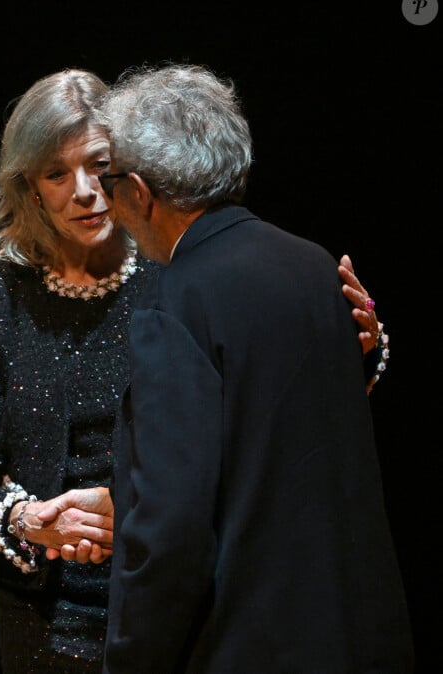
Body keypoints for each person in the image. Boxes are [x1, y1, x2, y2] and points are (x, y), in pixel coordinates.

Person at [0, 68, 387, 674]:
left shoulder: (175, 267)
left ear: (134, 172)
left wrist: (361, 349)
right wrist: (27, 521)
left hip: (179, 600)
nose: (86, 191)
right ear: (30, 189)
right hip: (49, 617)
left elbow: (265, 411)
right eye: (56, 173)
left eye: (100, 166)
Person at [95, 63, 413, 674]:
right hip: (360, 634)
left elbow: (170, 533)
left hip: (248, 645)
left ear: (138, 190)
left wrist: (131, 660)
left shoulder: (176, 300)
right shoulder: (314, 264)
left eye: (109, 184)